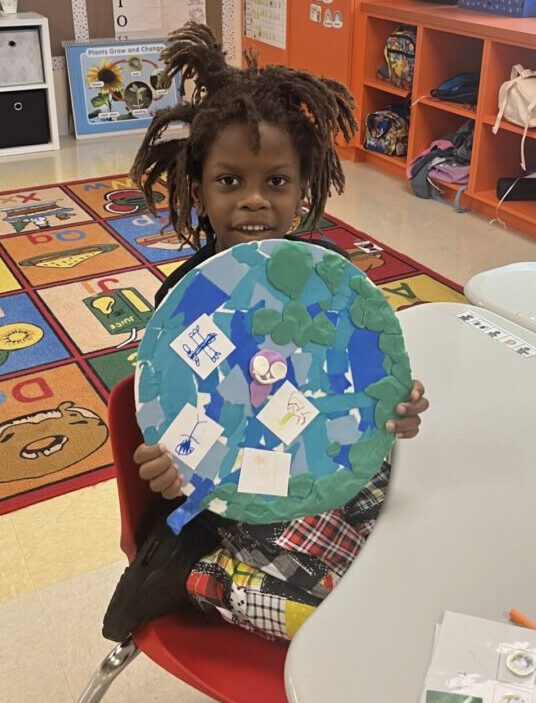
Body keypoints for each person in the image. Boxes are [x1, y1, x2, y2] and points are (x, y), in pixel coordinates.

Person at [103, 21, 429, 643]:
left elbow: (365, 383)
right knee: (338, 611)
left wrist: (397, 406)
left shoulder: (324, 283)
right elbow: (172, 414)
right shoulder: (187, 303)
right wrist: (163, 467)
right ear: (198, 188)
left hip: (318, 461)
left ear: (303, 189)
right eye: (230, 182)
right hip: (236, 498)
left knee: (409, 525)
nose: (254, 201)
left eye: (275, 182)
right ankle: (210, 578)